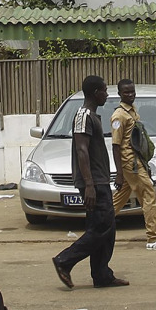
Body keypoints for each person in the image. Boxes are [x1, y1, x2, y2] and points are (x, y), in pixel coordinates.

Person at [51, 75, 128, 290]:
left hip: (100, 180)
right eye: (104, 90)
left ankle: (102, 275)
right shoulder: (83, 116)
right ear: (95, 92)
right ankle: (64, 260)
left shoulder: (93, 116)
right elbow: (81, 150)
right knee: (102, 228)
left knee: (106, 228)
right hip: (93, 182)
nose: (107, 94)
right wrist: (90, 185)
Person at [110, 78, 156, 251]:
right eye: (126, 92)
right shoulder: (119, 116)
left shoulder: (132, 111)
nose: (130, 95)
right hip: (130, 164)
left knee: (118, 201)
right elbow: (116, 146)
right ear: (119, 94)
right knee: (149, 195)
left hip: (137, 162)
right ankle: (153, 239)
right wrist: (120, 173)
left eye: (132, 92)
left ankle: (95, 230)